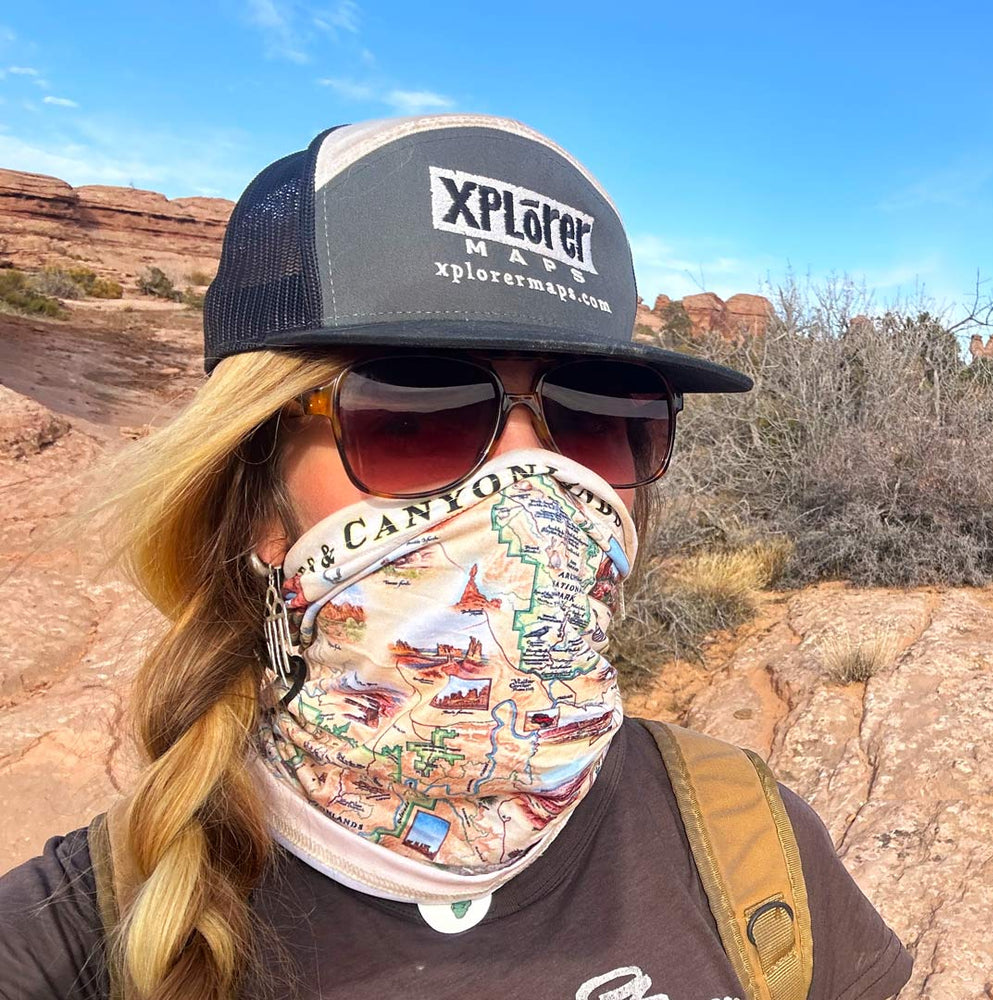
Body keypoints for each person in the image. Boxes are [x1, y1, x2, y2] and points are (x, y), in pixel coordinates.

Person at [0, 114, 912, 1000]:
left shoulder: (753, 848)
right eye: (414, 415)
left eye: (598, 419)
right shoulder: (64, 942)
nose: (532, 477)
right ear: (255, 504)